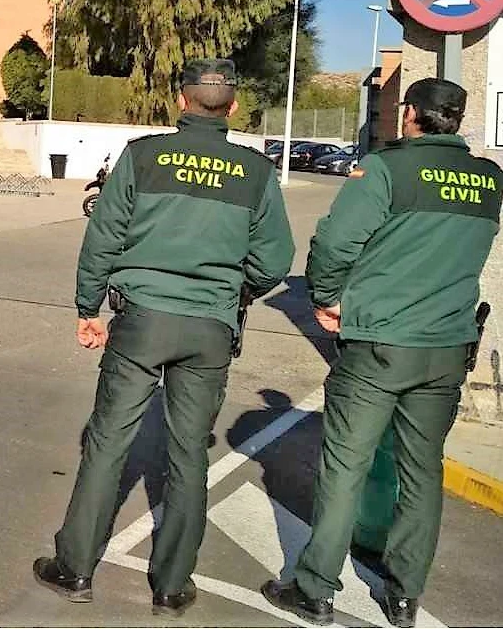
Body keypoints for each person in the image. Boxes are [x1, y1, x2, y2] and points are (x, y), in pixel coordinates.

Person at [32, 59, 295, 617]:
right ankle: (172, 586)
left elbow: (103, 235)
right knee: (189, 452)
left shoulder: (142, 156)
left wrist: (88, 305)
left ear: (181, 101)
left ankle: (75, 568)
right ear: (235, 107)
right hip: (210, 328)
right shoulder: (255, 172)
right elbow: (274, 261)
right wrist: (232, 292)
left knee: (107, 443)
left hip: (141, 320)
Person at [261, 77, 503, 628]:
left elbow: (335, 243)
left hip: (378, 345)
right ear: (459, 119)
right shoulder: (490, 180)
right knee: (422, 474)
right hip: (446, 348)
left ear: (411, 115)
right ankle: (403, 595)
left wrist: (324, 299)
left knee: (345, 466)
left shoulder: (388, 169)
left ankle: (315, 588)